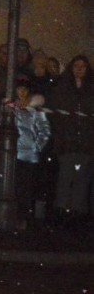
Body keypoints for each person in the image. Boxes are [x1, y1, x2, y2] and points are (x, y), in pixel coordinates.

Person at [47, 55, 94, 221]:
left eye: (83, 66)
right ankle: (62, 210)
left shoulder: (91, 89)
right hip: (67, 141)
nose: (79, 69)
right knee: (66, 176)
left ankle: (77, 212)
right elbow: (56, 113)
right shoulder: (63, 88)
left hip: (87, 142)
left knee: (82, 177)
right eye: (76, 66)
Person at [13, 77, 51, 228]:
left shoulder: (35, 110)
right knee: (13, 185)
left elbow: (45, 130)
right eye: (19, 89)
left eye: (24, 90)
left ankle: (23, 216)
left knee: (25, 186)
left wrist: (36, 147)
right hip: (12, 152)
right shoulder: (11, 106)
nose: (21, 92)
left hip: (28, 154)